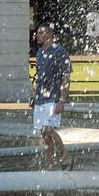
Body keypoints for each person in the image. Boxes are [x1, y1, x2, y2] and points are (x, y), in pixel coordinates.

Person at [31, 23, 72, 170]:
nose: (37, 36)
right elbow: (40, 77)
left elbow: (66, 77)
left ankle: (65, 155)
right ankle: (50, 164)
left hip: (54, 97)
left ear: (50, 35)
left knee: (48, 128)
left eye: (41, 33)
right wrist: (34, 94)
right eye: (37, 33)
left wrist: (62, 99)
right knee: (44, 134)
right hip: (40, 98)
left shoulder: (60, 51)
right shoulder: (40, 53)